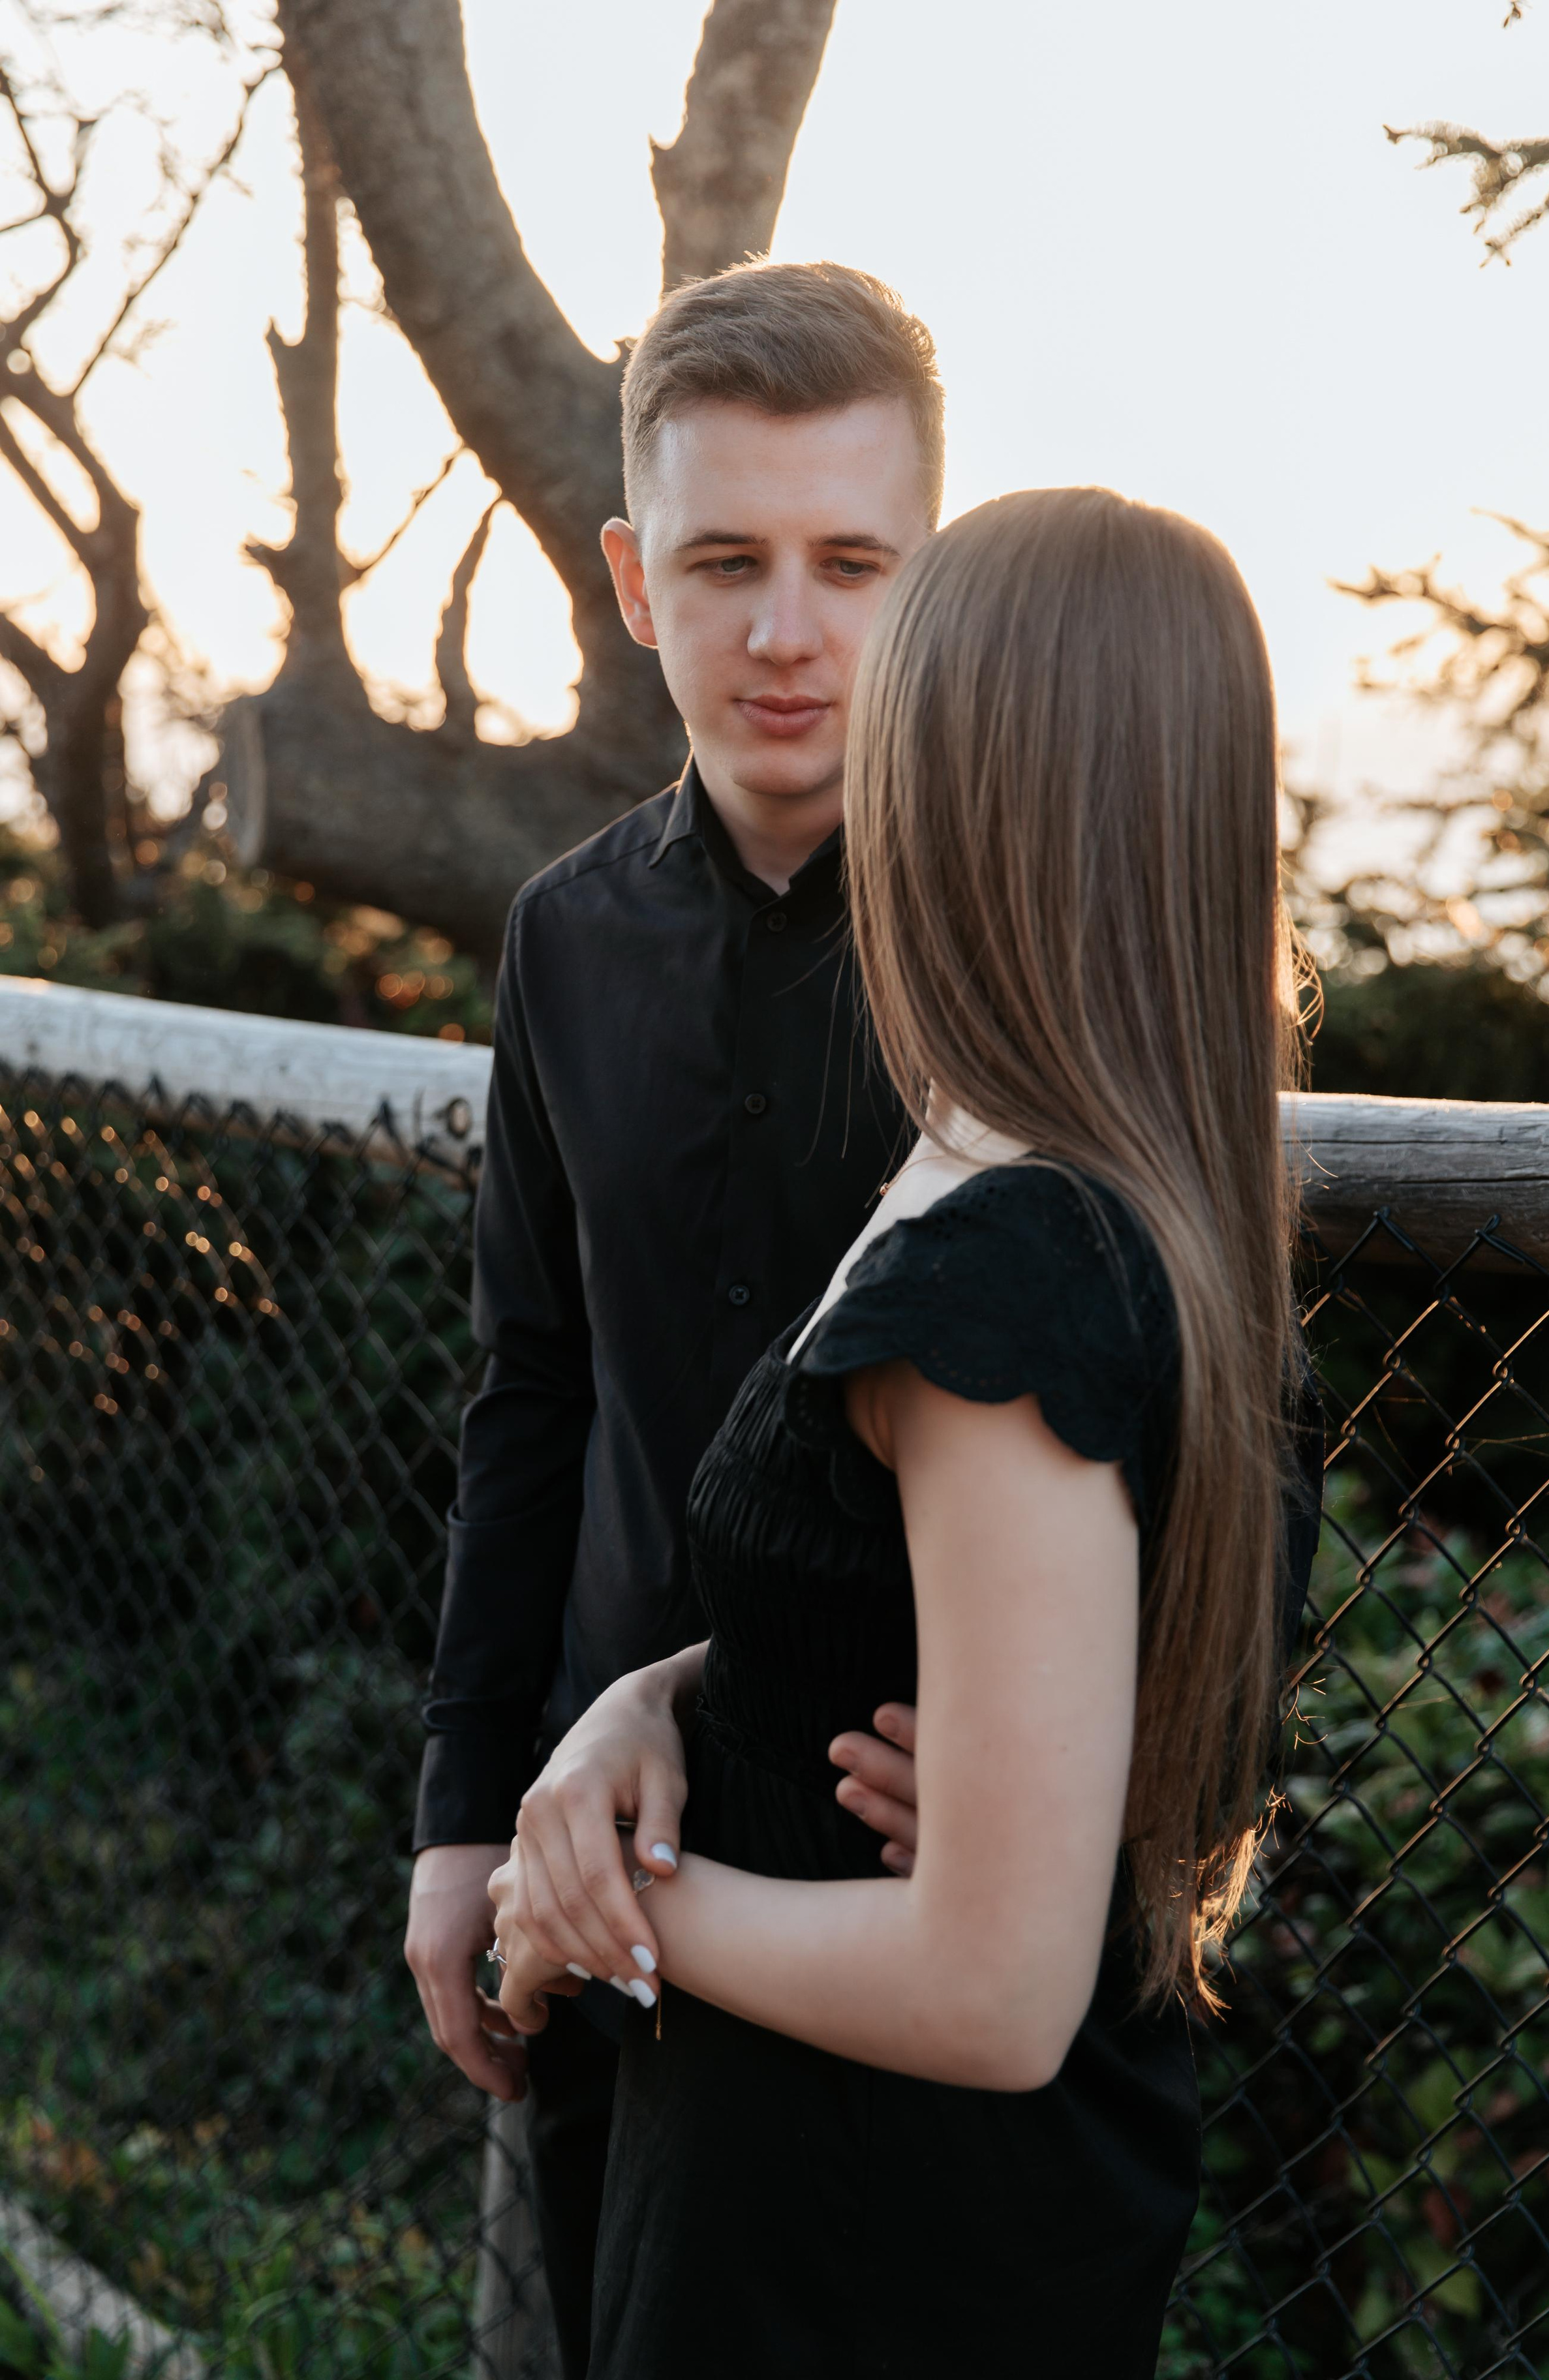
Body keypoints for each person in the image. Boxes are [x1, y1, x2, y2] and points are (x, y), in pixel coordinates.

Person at [488, 486, 1325, 2377]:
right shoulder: (1042, 1173)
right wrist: (663, 1697)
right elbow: (888, 1586)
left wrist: (605, 1917)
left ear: (968, 790)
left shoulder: (1018, 1262)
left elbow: (993, 1991)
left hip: (874, 2258)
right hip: (808, 2183)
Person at [403, 260, 949, 2372]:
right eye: (725, 562)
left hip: (904, 1874)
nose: (787, 633)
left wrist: (1114, 1791)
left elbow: (1212, 1408)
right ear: (636, 579)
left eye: (850, 562)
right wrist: (462, 1820)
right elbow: (528, 1397)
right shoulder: (561, 939)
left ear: (931, 579)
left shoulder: (1026, 948)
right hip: (590, 1866)